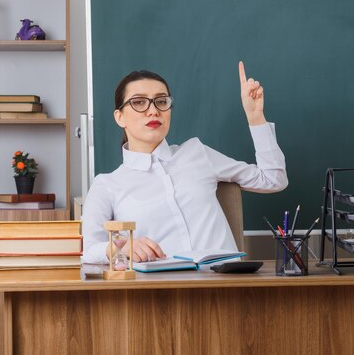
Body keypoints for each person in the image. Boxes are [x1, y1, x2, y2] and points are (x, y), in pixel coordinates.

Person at [82, 62, 287, 264]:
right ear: (120, 117)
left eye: (161, 102)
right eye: (139, 102)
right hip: (163, 290)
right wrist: (119, 247)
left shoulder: (196, 152)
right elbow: (90, 250)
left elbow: (273, 179)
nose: (153, 111)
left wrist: (255, 116)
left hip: (225, 284)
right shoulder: (107, 185)